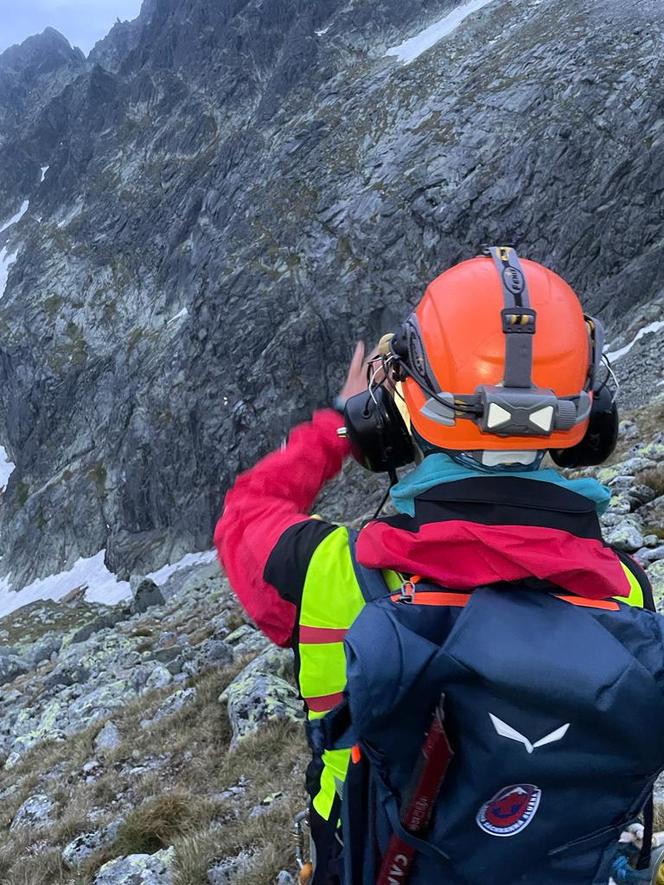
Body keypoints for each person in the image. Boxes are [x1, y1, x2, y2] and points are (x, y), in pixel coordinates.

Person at [215, 247, 661, 885]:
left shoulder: (335, 573)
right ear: (592, 415)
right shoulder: (627, 593)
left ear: (395, 410)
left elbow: (245, 513)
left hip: (370, 860)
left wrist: (339, 429)